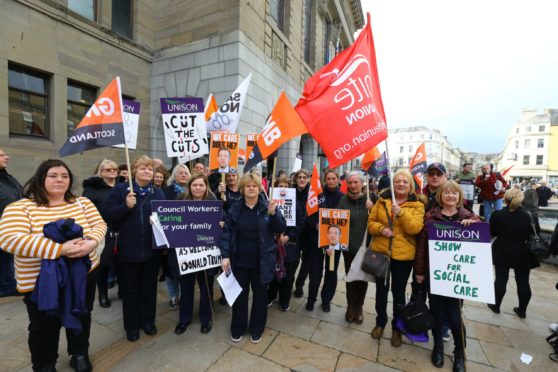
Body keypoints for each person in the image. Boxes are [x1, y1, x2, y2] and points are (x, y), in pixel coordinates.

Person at [0, 159, 106, 371]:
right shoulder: (21, 207)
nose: (60, 179)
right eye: (53, 175)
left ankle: (79, 353)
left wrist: (92, 242)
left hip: (83, 275)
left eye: (64, 176)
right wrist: (61, 249)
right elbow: (10, 239)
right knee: (43, 327)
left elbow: (99, 224)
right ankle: (45, 365)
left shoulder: (82, 203)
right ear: (41, 178)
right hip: (40, 282)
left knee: (82, 314)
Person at [415, 180, 480, 371]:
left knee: (454, 316)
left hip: (457, 277)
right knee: (436, 312)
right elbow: (421, 247)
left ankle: (459, 352)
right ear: (440, 196)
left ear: (460, 197)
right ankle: (438, 346)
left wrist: (474, 223)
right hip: (435, 275)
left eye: (454, 193)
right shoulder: (431, 217)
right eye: (446, 193)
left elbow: (483, 236)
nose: (450, 196)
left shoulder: (468, 215)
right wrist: (419, 272)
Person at [102, 155, 165, 342]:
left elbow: (167, 219)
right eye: (143, 168)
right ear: (134, 171)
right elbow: (106, 214)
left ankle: (148, 321)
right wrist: (125, 206)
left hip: (151, 252)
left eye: (150, 169)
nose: (147, 171)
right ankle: (131, 326)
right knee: (130, 291)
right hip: (126, 252)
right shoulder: (121, 190)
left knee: (149, 289)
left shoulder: (158, 193)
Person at [219, 173, 286, 343]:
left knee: (260, 297)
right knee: (240, 296)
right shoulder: (235, 208)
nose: (251, 188)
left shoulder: (267, 206)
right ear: (242, 189)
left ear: (259, 189)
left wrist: (273, 214)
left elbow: (280, 228)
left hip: (262, 262)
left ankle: (257, 328)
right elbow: (226, 233)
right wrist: (225, 256)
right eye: (247, 186)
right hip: (240, 261)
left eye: (254, 186)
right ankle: (238, 327)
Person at [368, 169, 425, 347]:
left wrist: (401, 213)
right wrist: (381, 229)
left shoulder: (417, 206)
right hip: (380, 252)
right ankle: (380, 322)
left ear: (411, 186)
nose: (401, 184)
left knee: (398, 293)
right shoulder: (382, 201)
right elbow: (370, 223)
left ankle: (397, 327)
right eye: (398, 181)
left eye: (405, 182)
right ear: (393, 184)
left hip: (403, 256)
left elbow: (415, 228)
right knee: (381, 291)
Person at [173, 173, 219, 335]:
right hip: (186, 254)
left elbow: (223, 220)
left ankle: (206, 319)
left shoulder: (212, 201)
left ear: (206, 186)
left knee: (206, 287)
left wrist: (221, 221)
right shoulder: (180, 200)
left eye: (201, 185)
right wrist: (158, 220)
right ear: (189, 186)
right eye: (195, 185)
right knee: (186, 288)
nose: (198, 188)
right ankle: (184, 319)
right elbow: (171, 219)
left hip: (206, 254)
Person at [488, 188, 537, 319]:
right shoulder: (530, 216)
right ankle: (522, 310)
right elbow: (535, 232)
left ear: (505, 199)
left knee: (501, 279)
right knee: (523, 281)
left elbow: (492, 232)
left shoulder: (497, 214)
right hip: (522, 250)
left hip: (501, 249)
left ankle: (495, 305)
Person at [304, 168, 344, 312]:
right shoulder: (318, 194)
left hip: (334, 242)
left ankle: (326, 300)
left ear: (338, 180)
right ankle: (311, 299)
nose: (331, 181)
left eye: (334, 179)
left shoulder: (342, 197)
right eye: (329, 179)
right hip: (316, 240)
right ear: (325, 180)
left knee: (331, 272)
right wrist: (315, 225)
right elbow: (309, 213)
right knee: (315, 272)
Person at [337, 171, 373, 324]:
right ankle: (350, 306)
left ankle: (359, 307)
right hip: (349, 247)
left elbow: (378, 221)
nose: (352, 185)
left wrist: (372, 209)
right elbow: (336, 222)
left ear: (362, 183)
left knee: (362, 278)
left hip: (365, 247)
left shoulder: (370, 200)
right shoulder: (343, 201)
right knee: (351, 277)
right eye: (350, 182)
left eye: (355, 182)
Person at [82, 159, 119, 308]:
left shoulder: (123, 186)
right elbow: (85, 211)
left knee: (121, 262)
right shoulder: (92, 189)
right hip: (103, 230)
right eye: (108, 170)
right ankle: (103, 294)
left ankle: (121, 290)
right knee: (103, 264)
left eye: (114, 169)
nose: (111, 172)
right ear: (101, 171)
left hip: (121, 229)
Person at [267, 176, 304, 311]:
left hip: (290, 245)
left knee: (287, 276)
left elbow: (300, 224)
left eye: (285, 185)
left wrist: (288, 236)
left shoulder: (296, 204)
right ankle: (270, 296)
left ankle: (284, 300)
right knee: (272, 274)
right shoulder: (269, 203)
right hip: (273, 244)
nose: (283, 187)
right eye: (280, 185)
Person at [161, 163, 191, 311]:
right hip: (172, 237)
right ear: (174, 175)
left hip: (190, 236)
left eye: (186, 173)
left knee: (187, 268)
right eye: (180, 173)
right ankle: (173, 296)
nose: (183, 175)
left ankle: (186, 296)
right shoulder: (165, 191)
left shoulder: (195, 190)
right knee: (171, 268)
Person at [0, 149, 23, 297]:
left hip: (12, 226)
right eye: (1, 155)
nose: (7, 157)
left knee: (8, 258)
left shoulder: (9, 178)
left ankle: (7, 285)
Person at [293, 169, 311, 298]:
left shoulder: (313, 193)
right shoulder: (290, 191)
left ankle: (299, 285)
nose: (302, 179)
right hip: (294, 232)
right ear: (296, 179)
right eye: (299, 177)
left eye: (305, 177)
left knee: (307, 262)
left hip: (309, 232)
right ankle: (289, 281)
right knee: (293, 260)